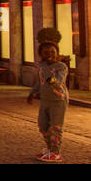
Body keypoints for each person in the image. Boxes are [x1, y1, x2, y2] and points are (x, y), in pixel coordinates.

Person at [27, 28, 69, 162]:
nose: (49, 54)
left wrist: (50, 76)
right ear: (41, 54)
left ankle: (56, 153)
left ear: (57, 52)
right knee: (42, 125)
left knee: (55, 126)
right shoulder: (42, 66)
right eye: (46, 52)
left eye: (52, 52)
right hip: (45, 100)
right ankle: (50, 148)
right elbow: (41, 82)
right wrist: (32, 93)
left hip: (58, 100)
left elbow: (58, 81)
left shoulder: (61, 66)